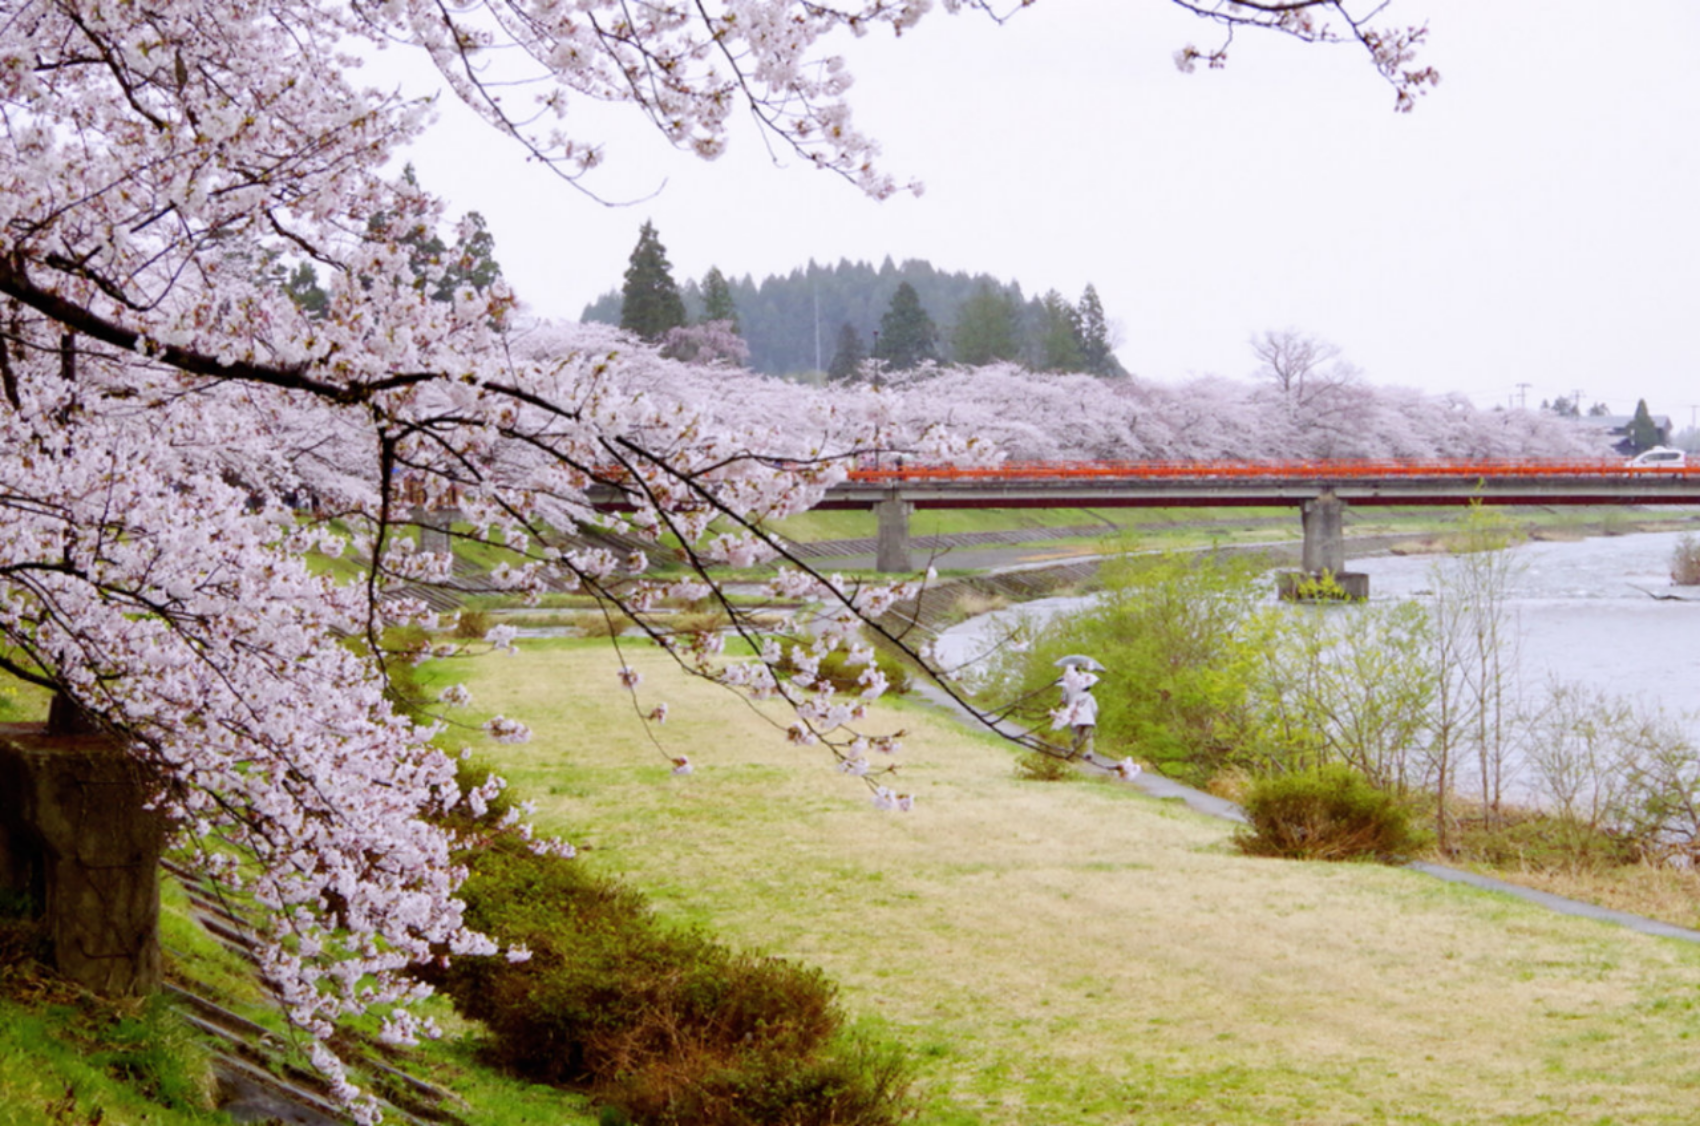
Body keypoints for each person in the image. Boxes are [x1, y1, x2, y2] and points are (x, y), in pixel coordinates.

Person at [1051, 665, 1100, 760]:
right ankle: (1088, 752)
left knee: (1078, 735)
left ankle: (1075, 750)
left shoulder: (1076, 697)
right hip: (1089, 720)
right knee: (1088, 737)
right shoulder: (1091, 697)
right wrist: (1094, 717)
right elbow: (1095, 709)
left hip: (1078, 719)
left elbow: (1071, 707)